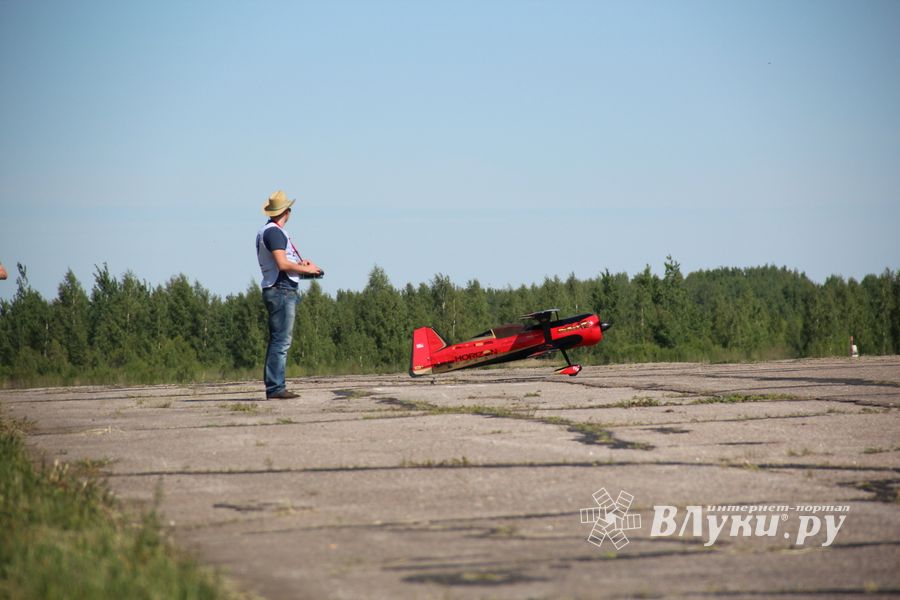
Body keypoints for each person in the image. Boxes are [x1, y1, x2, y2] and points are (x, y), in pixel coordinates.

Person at [256, 190, 323, 399]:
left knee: (278, 340)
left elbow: (284, 264)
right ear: (287, 212)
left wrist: (300, 266)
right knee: (281, 341)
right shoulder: (275, 233)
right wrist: (308, 270)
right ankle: (276, 388)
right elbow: (283, 264)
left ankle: (275, 386)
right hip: (281, 291)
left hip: (276, 289)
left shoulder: (267, 231)